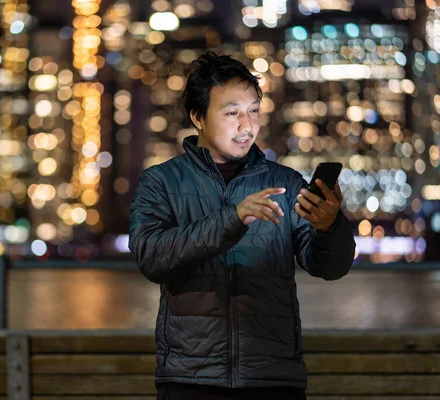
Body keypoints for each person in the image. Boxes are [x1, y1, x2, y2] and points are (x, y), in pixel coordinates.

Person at [128, 52, 356, 400]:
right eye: (232, 112)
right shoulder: (161, 182)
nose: (246, 125)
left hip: (274, 378)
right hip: (191, 380)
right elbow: (152, 257)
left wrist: (329, 228)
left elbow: (330, 268)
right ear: (198, 117)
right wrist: (232, 219)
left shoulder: (286, 183)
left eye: (253, 111)